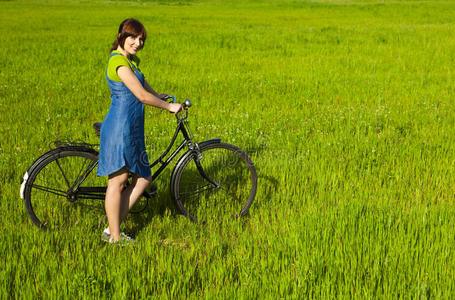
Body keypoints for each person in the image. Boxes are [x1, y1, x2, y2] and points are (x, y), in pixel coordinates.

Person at [97, 18, 183, 243]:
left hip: (131, 127)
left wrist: (160, 96)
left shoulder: (130, 62)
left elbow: (144, 87)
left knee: (144, 177)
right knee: (117, 181)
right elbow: (141, 96)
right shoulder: (118, 63)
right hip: (120, 127)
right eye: (133, 37)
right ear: (121, 36)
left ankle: (111, 228)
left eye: (141, 39)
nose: (138, 43)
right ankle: (115, 237)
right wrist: (167, 106)